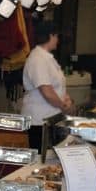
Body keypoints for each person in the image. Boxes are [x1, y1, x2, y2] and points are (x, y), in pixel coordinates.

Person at [21, 21, 72, 149]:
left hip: (52, 118)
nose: (58, 40)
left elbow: (57, 87)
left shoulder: (48, 58)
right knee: (42, 161)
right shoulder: (37, 59)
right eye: (56, 36)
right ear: (51, 36)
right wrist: (64, 107)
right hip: (39, 121)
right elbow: (47, 92)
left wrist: (67, 99)